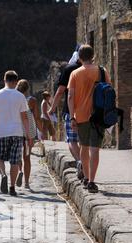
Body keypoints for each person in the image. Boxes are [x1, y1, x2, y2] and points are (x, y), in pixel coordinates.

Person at [68, 44, 111, 194]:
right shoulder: (102, 71)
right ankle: (92, 181)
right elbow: (109, 91)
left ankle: (85, 178)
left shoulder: (75, 74)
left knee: (84, 147)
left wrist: (72, 117)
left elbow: (70, 97)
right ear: (93, 56)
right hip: (98, 116)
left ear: (79, 58)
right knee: (95, 149)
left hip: (81, 116)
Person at [0, 70, 32, 197]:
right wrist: (29, 135)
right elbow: (24, 117)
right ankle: (12, 187)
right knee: (14, 161)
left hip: (1, 132)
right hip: (17, 132)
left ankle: (3, 175)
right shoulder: (20, 96)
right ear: (16, 81)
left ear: (4, 80)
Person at [49, 50, 83, 180]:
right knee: (84, 141)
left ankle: (80, 162)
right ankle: (85, 165)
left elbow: (60, 91)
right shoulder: (95, 69)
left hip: (71, 111)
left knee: (72, 140)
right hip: (88, 111)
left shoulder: (69, 69)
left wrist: (52, 108)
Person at [15, 79, 43, 189]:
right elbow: (36, 117)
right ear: (28, 89)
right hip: (29, 131)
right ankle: (26, 182)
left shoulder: (15, 99)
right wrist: (41, 130)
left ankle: (20, 170)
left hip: (17, 129)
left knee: (17, 155)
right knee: (27, 157)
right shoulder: (32, 100)